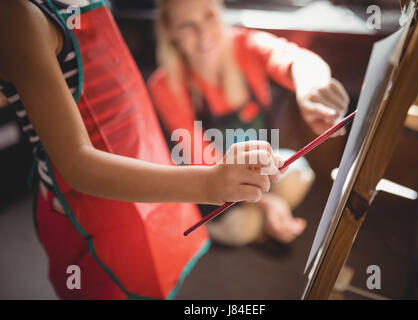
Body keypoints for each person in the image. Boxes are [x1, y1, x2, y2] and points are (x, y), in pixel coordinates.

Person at [0, 0, 283, 299]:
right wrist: (210, 183)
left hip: (143, 195)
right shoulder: (19, 14)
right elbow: (76, 165)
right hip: (87, 214)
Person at [148, 0, 350, 246]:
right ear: (169, 31)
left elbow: (295, 59)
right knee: (241, 228)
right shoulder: (165, 85)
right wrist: (267, 202)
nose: (202, 33)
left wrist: (311, 89)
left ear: (220, 10)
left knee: (299, 176)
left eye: (209, 16)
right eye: (187, 25)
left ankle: (260, 224)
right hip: (212, 181)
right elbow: (201, 159)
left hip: (258, 167)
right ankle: (237, 228)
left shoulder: (245, 45)